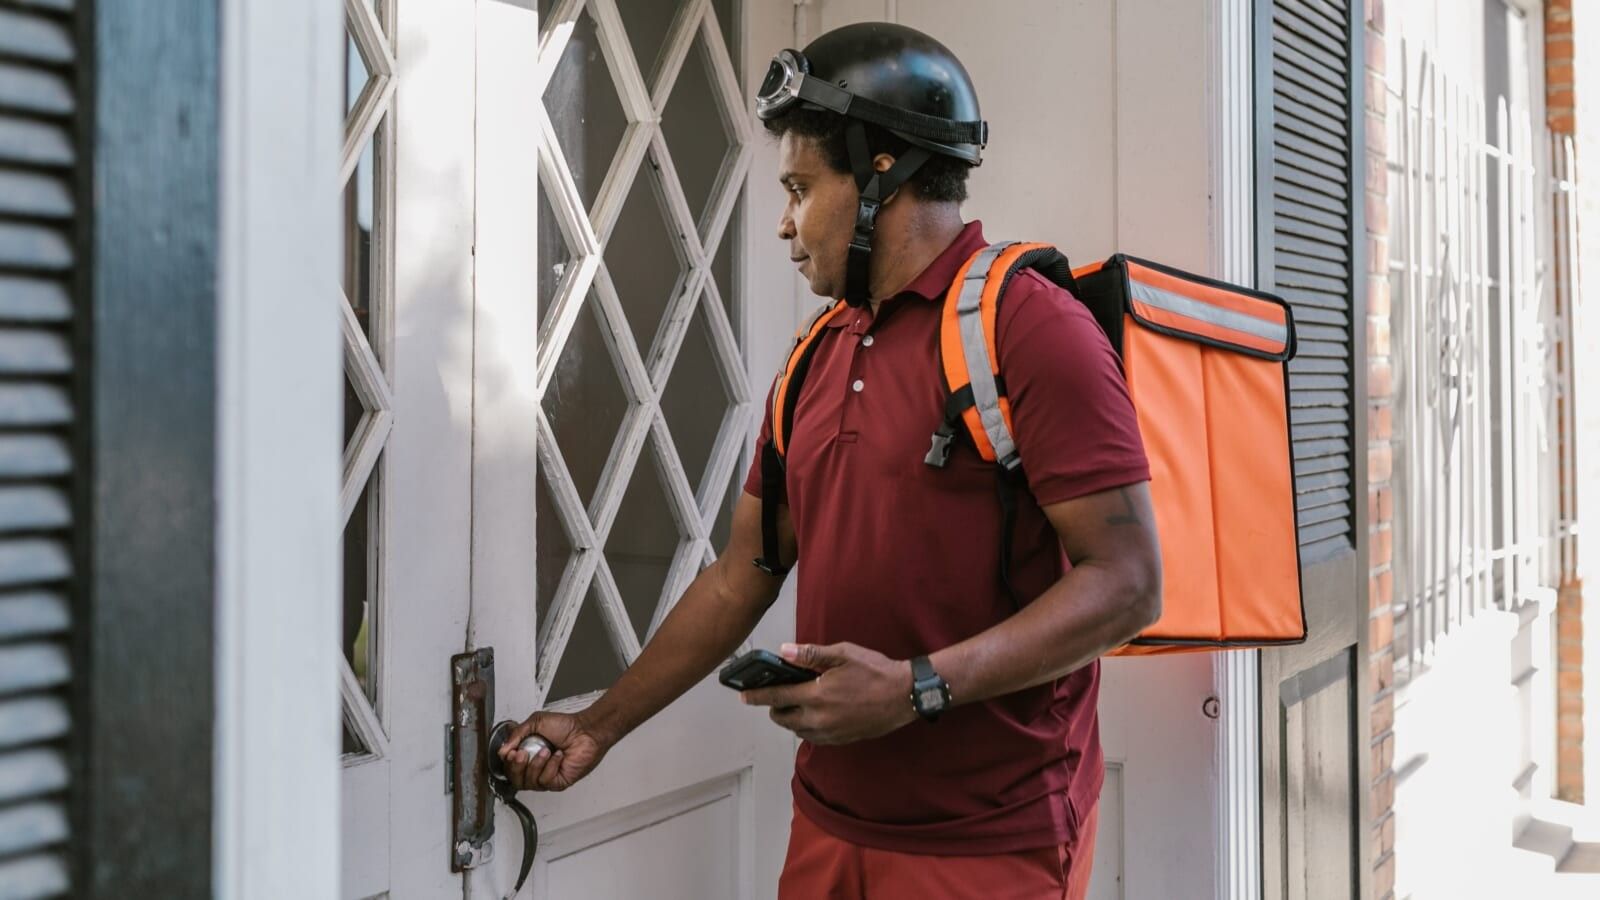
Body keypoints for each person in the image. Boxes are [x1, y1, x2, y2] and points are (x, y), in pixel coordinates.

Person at [499, 21, 1162, 899]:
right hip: (828, 823)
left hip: (988, 843)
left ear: (882, 172)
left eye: (802, 188)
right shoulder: (818, 351)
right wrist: (600, 726)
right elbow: (743, 575)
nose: (783, 224)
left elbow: (1127, 583)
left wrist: (915, 689)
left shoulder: (1030, 328)